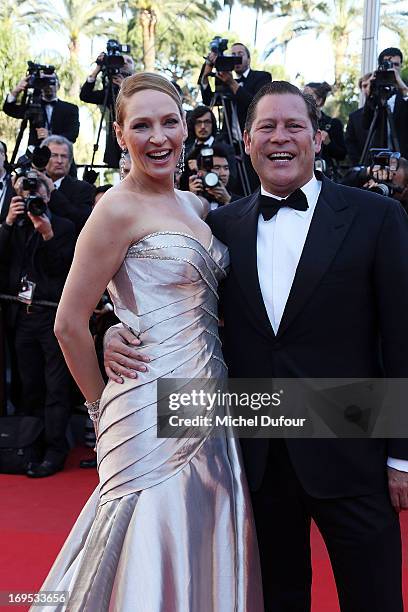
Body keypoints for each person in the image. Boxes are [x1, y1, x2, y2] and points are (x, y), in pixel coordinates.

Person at [106, 80, 408, 612]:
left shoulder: (376, 217)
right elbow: (167, 291)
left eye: (294, 126)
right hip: (259, 450)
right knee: (275, 597)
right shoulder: (220, 223)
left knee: (375, 596)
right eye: (266, 127)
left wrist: (403, 456)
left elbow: (403, 336)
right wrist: (112, 328)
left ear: (317, 137)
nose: (280, 138)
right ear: (246, 141)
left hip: (353, 445)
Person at [33, 72, 262, 611]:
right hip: (142, 402)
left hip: (209, 397)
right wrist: (98, 408)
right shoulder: (114, 209)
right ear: (120, 134)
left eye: (169, 122)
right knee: (150, 527)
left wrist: (119, 320)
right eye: (142, 125)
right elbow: (68, 322)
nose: (158, 137)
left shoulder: (199, 208)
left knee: (204, 521)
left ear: (185, 127)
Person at [0, 176, 76, 476]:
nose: (32, 198)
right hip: (22, 316)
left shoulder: (64, 226)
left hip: (51, 315)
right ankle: (30, 442)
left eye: (38, 192)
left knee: (56, 386)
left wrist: (48, 235)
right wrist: (7, 223)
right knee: (28, 384)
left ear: (49, 195)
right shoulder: (14, 226)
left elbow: (63, 269)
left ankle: (56, 448)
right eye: (25, 192)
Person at [80, 53, 135, 168]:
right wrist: (98, 68)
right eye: (121, 60)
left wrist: (123, 88)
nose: (124, 63)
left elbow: (139, 106)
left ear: (134, 68)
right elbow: (85, 95)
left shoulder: (140, 87)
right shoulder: (110, 90)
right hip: (116, 147)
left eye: (128, 61)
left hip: (135, 142)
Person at [3, 71, 79, 147]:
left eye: (51, 81)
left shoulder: (71, 109)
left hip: (60, 155)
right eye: (44, 81)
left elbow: (72, 135)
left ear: (58, 85)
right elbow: (9, 110)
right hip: (35, 154)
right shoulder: (33, 106)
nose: (48, 85)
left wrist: (51, 136)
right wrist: (17, 90)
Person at [41, 135, 94, 235]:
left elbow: (81, 221)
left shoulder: (83, 188)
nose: (59, 161)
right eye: (54, 155)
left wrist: (53, 192)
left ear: (70, 161)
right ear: (44, 158)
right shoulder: (33, 184)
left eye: (64, 156)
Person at [363, 47, 408, 159]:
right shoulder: (376, 94)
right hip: (379, 159)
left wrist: (403, 89)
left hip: (404, 159)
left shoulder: (405, 90)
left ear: (401, 67)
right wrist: (369, 95)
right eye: (388, 65)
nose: (392, 69)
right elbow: (365, 124)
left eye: (396, 65)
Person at [303, 81, 346, 179]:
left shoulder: (333, 124)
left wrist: (328, 142)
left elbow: (342, 154)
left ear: (319, 100)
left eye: (307, 96)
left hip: (326, 176)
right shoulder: (297, 123)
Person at [345, 72, 372, 165]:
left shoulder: (390, 112)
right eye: (364, 86)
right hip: (363, 168)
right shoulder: (354, 117)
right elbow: (350, 144)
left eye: (371, 85)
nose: (368, 89)